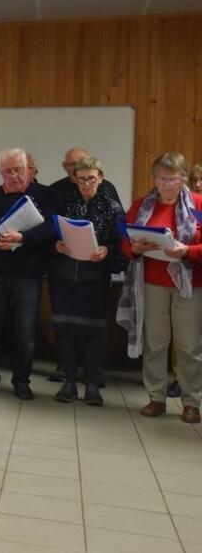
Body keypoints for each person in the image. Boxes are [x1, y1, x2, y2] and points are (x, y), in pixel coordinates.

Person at [118, 153, 202, 423]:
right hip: (152, 284)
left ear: (183, 178)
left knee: (189, 345)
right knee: (155, 343)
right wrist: (134, 248)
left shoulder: (199, 204)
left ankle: (191, 402)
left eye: (172, 178)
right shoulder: (142, 205)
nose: (166, 183)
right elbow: (125, 240)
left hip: (190, 285)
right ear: (154, 179)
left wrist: (187, 250)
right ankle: (156, 398)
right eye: (161, 178)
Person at [0, 148, 57, 400]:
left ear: (27, 168)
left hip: (28, 275)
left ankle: (22, 380)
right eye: (7, 171)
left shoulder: (44, 194)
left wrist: (24, 237)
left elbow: (53, 227)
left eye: (18, 169)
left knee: (25, 332)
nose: (14, 175)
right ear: (0, 173)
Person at [51, 156, 126, 405]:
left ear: (100, 178)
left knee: (93, 331)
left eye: (91, 179)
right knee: (65, 330)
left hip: (95, 277)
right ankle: (69, 383)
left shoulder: (112, 206)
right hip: (64, 275)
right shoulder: (64, 203)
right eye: (81, 179)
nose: (86, 184)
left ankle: (92, 384)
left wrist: (107, 249)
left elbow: (121, 242)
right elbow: (51, 234)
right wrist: (57, 245)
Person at [50, 147, 122, 207]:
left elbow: (121, 220)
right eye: (74, 164)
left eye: (84, 163)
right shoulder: (54, 190)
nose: (79, 167)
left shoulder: (108, 187)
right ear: (64, 166)